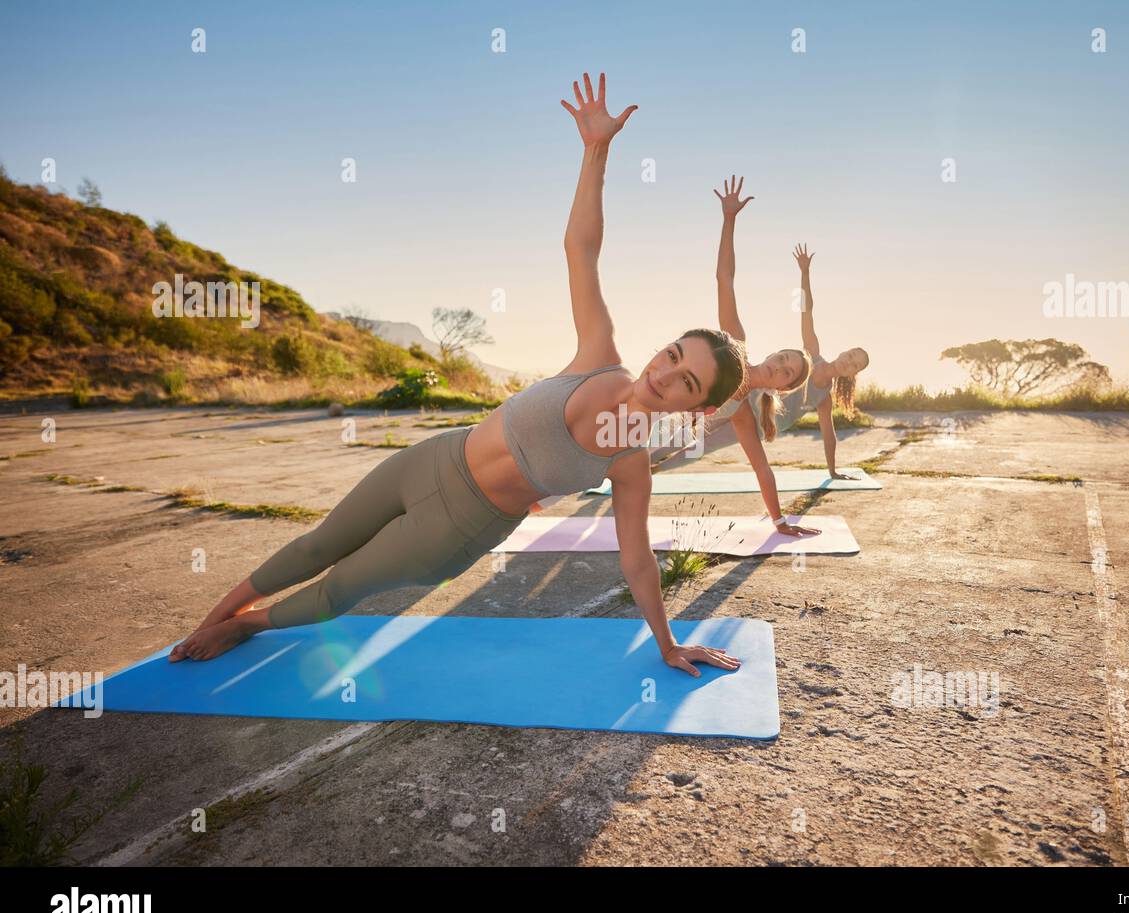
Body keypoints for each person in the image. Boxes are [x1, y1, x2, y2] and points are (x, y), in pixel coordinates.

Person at [169, 73, 743, 679]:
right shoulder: (597, 354)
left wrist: (668, 644)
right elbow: (581, 248)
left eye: (687, 382)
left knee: (339, 589)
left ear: (696, 409)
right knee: (316, 545)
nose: (666, 373)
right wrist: (596, 150)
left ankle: (243, 627)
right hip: (432, 460)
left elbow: (637, 561)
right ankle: (212, 619)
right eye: (674, 354)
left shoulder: (629, 461)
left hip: (461, 527)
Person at [652, 237, 870, 482]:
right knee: (689, 432)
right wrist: (805, 274)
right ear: (843, 352)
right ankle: (643, 461)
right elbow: (806, 311)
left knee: (702, 447)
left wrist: (832, 471)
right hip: (743, 399)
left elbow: (829, 435)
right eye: (851, 355)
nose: (848, 361)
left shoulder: (824, 397)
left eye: (855, 365)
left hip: (755, 426)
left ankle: (654, 471)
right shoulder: (811, 355)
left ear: (852, 374)